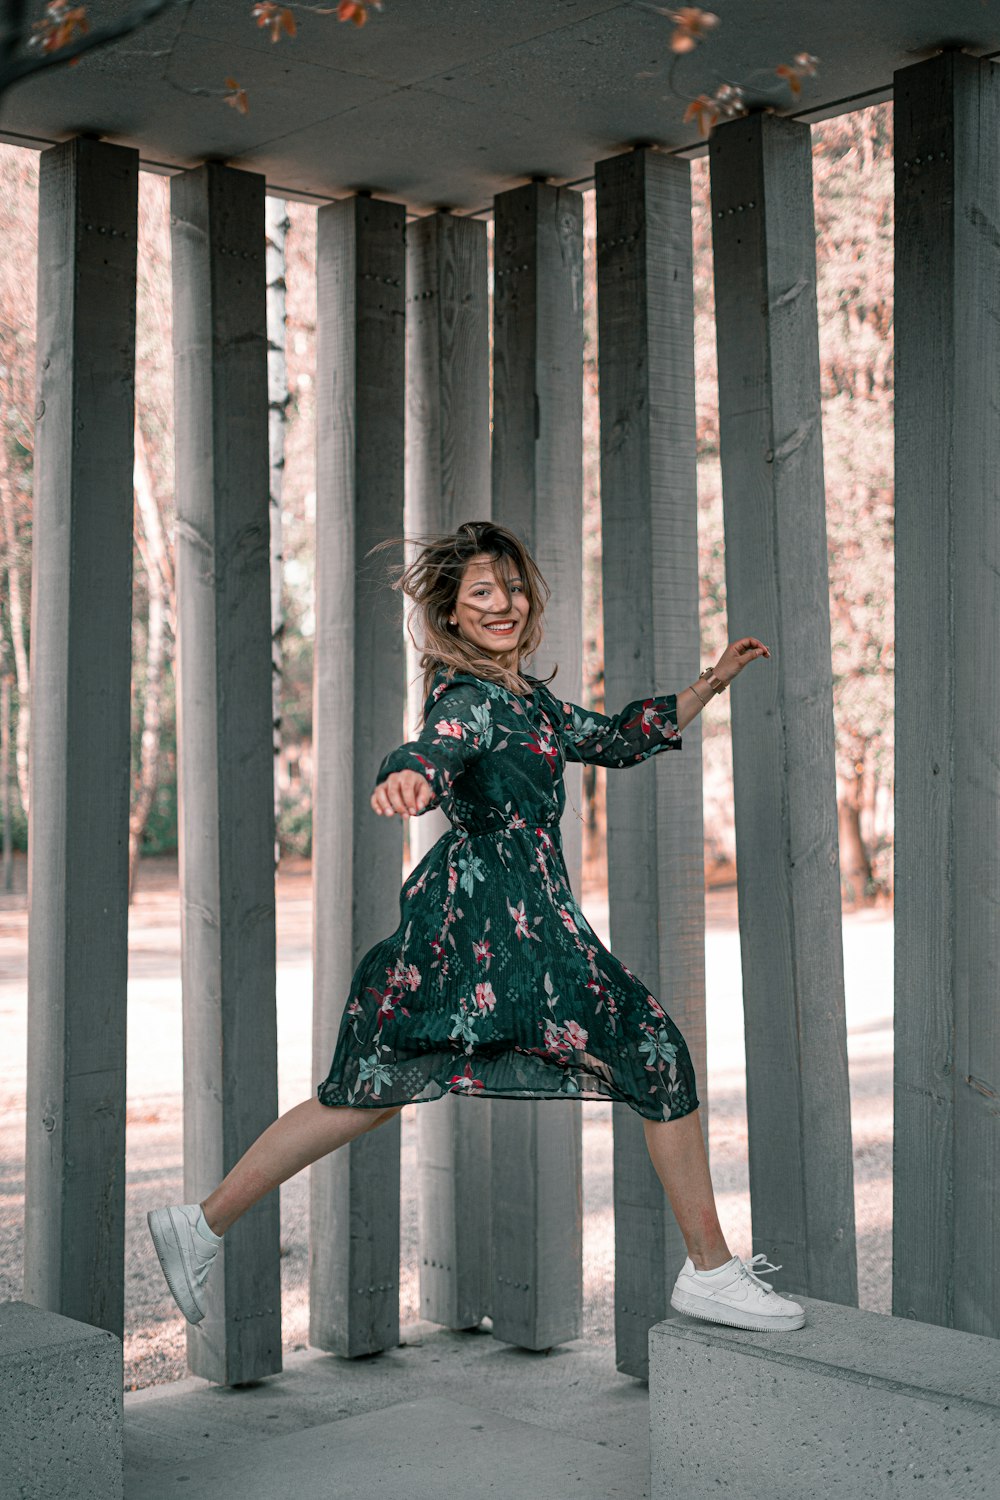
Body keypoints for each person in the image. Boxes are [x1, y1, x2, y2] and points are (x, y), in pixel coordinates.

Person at [148, 520, 805, 1335]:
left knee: (377, 1093)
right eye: (480, 594)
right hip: (485, 929)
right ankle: (710, 1270)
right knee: (647, 1050)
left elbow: (616, 738)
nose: (501, 604)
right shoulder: (469, 699)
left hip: (529, 925)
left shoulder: (528, 701)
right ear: (452, 615)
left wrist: (711, 682)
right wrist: (407, 776)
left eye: (511, 588)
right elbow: (434, 747)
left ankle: (199, 1224)